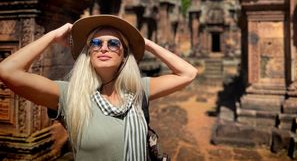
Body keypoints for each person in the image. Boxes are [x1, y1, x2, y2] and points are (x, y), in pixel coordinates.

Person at [0, 14, 197, 161]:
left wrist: (144, 43)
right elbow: (7, 71)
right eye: (95, 43)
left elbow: (188, 73)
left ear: (124, 54)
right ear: (89, 52)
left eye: (113, 43)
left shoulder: (138, 91)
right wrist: (52, 36)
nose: (103, 48)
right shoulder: (70, 95)